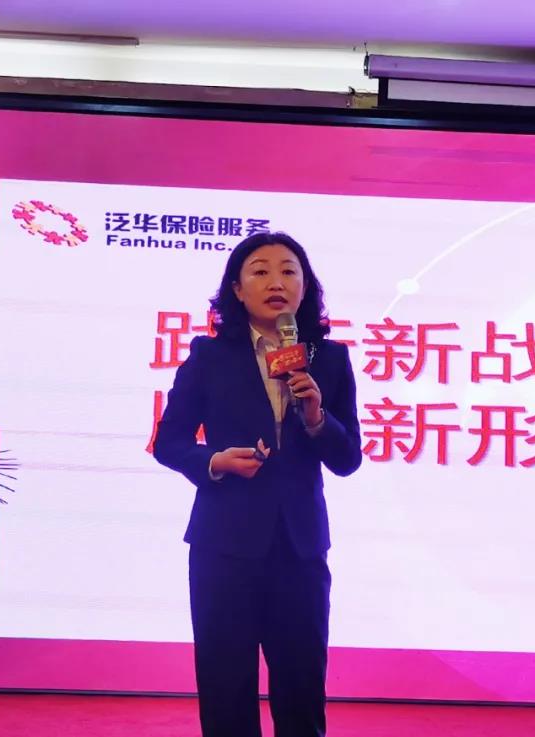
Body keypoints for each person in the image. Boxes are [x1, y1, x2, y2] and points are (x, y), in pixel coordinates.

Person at [154, 231, 362, 737]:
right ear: (237, 288)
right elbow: (170, 441)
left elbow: (347, 459)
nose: (276, 282)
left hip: (300, 547)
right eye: (261, 271)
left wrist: (317, 418)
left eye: (289, 271)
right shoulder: (209, 356)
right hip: (223, 545)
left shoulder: (329, 359)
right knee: (226, 688)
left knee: (302, 688)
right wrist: (214, 461)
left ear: (306, 287)